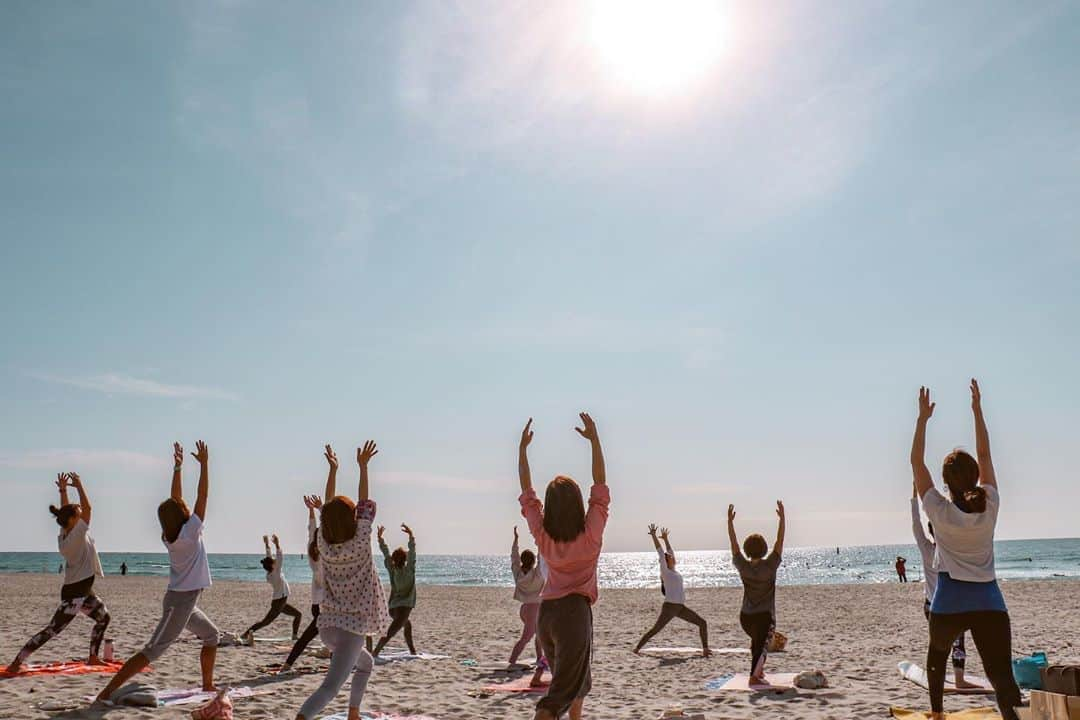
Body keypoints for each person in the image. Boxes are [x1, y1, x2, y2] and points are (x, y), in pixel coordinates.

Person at [911, 381, 1022, 720]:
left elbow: (915, 461)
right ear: (975, 476)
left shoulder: (938, 509)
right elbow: (986, 455)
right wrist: (977, 409)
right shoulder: (989, 504)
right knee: (1001, 676)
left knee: (936, 659)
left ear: (945, 481)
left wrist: (922, 420)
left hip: (950, 601)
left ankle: (937, 713)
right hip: (989, 601)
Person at [97, 442, 219, 702]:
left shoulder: (171, 534)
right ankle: (105, 693)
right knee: (152, 651)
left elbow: (176, 500)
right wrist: (205, 465)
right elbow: (203, 496)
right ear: (181, 514)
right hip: (179, 603)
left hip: (186, 601)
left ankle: (208, 685)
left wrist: (177, 466)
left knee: (211, 636)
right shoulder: (190, 531)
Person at [519, 414, 609, 720]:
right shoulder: (591, 535)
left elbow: (528, 498)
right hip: (573, 614)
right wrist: (595, 441)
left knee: (576, 683)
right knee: (556, 697)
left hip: (548, 614)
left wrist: (522, 453)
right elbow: (600, 487)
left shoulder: (543, 537)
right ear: (577, 505)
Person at [295, 443, 390, 720]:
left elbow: (328, 509)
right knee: (328, 689)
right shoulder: (360, 543)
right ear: (353, 519)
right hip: (351, 630)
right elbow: (361, 501)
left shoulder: (324, 544)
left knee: (366, 664)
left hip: (328, 627)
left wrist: (333, 469)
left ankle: (353, 713)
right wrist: (363, 467)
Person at [8, 472, 110, 673]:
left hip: (83, 591)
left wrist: (63, 490)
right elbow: (88, 508)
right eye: (78, 514)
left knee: (103, 618)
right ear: (73, 520)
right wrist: (79, 484)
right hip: (75, 595)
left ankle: (93, 657)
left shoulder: (66, 532)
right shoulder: (76, 535)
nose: (82, 513)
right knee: (52, 630)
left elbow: (67, 512)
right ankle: (16, 662)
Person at [911, 482, 976, 690]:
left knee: (938, 646)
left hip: (932, 607)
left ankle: (941, 679)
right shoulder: (954, 551)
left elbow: (915, 524)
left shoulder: (926, 548)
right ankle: (959, 679)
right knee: (956, 642)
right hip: (952, 605)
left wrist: (915, 496)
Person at [727, 500, 785, 684]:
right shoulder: (770, 566)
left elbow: (734, 544)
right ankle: (754, 676)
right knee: (762, 645)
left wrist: (730, 522)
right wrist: (783, 518)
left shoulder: (743, 566)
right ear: (764, 549)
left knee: (757, 643)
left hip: (745, 617)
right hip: (764, 616)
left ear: (747, 550)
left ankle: (758, 672)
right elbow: (780, 540)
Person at [633, 525, 710, 657]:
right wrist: (653, 536)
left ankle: (705, 649)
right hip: (670, 607)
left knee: (702, 623)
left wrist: (666, 539)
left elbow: (670, 551)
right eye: (669, 557)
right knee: (655, 629)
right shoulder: (666, 572)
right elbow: (660, 553)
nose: (672, 557)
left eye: (671, 557)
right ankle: (637, 649)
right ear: (665, 561)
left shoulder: (674, 571)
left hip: (680, 607)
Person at [281, 495, 325, 672]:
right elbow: (318, 530)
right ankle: (288, 664)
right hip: (326, 604)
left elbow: (312, 529)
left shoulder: (311, 549)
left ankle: (288, 664)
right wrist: (320, 509)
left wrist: (311, 510)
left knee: (313, 635)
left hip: (317, 603)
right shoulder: (326, 554)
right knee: (310, 635)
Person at [243, 534, 303, 641]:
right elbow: (280, 557)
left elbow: (269, 558)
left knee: (298, 615)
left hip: (281, 601)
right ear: (272, 566)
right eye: (274, 561)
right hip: (279, 602)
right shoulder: (275, 573)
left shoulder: (271, 572)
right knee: (265, 622)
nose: (275, 560)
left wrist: (267, 544)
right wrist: (277, 544)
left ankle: (294, 635)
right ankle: (246, 633)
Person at [371, 523, 418, 657]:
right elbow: (412, 553)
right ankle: (375, 652)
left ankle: (412, 651)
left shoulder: (392, 570)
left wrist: (380, 539)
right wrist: (411, 536)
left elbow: (386, 554)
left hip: (392, 608)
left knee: (407, 625)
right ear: (405, 559)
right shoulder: (409, 570)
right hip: (403, 607)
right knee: (391, 632)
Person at [508, 525, 546, 669]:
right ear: (534, 562)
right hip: (535, 610)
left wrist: (516, 540)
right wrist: (540, 538)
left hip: (524, 609)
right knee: (527, 637)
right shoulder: (537, 574)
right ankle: (512, 660)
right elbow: (541, 556)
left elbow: (514, 558)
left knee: (539, 634)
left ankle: (539, 658)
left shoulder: (517, 573)